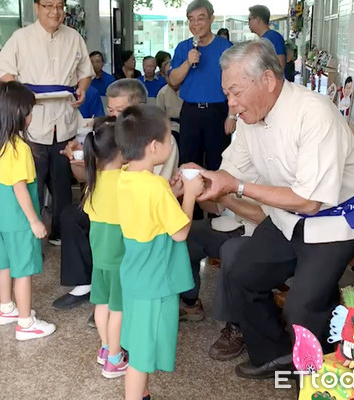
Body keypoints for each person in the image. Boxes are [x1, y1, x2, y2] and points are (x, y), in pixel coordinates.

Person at [196, 40, 354, 379]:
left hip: (337, 221)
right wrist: (198, 180)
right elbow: (229, 172)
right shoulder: (248, 119)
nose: (231, 103)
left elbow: (310, 200)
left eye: (236, 92)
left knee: (303, 308)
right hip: (288, 219)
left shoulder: (314, 112)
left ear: (267, 80)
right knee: (239, 269)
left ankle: (318, 381)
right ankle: (276, 354)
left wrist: (236, 188)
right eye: (227, 93)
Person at [52, 79, 179, 312]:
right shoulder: (107, 134)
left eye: (120, 111)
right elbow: (87, 179)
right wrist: (77, 159)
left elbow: (157, 188)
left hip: (137, 210)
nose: (113, 116)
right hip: (112, 203)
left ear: (138, 110)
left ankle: (115, 298)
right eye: (110, 110)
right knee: (71, 215)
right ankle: (85, 283)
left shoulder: (157, 143)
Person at [115, 104, 203, 400]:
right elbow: (180, 232)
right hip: (154, 282)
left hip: (135, 276)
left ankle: (143, 393)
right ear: (154, 147)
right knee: (141, 356)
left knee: (140, 342)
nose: (171, 143)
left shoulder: (125, 177)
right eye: (169, 138)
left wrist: (172, 192)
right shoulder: (156, 188)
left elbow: (149, 209)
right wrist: (189, 195)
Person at [0, 0, 93, 246]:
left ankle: (60, 233)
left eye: (59, 5)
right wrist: (23, 97)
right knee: (33, 181)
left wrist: (82, 89)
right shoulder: (21, 37)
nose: (55, 11)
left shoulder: (74, 37)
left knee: (62, 182)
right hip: (33, 121)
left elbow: (85, 72)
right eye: (48, 5)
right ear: (36, 7)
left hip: (64, 118)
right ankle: (30, 232)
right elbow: (4, 71)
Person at [0, 81, 56, 341]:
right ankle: (26, 323)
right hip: (19, 221)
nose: (31, 116)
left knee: (3, 265)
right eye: (28, 111)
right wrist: (35, 221)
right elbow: (20, 189)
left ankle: (7, 308)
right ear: (17, 114)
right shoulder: (20, 149)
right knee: (22, 271)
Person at [82, 116, 128, 378]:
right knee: (118, 310)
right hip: (119, 260)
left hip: (99, 258)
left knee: (101, 305)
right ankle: (114, 359)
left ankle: (104, 348)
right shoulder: (124, 181)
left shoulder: (93, 180)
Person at [169, 0, 235, 173]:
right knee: (189, 164)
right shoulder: (183, 48)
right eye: (191, 19)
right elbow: (173, 81)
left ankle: (218, 199)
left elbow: (235, 86)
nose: (195, 24)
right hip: (190, 112)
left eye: (200, 18)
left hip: (217, 112)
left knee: (218, 163)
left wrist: (232, 116)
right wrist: (188, 62)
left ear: (212, 19)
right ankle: (192, 199)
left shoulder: (225, 47)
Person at [248, 5, 286, 70]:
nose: (248, 23)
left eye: (249, 19)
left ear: (257, 20)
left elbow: (280, 64)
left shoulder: (274, 37)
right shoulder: (264, 38)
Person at [156, 59, 183, 144]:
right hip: (171, 128)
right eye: (168, 75)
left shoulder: (189, 91)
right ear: (164, 75)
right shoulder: (162, 93)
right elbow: (159, 119)